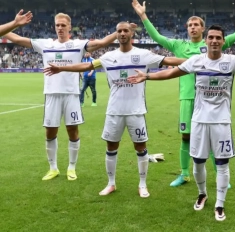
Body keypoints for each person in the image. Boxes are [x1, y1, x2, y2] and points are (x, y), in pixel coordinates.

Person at [127, 24, 235, 221]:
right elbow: (171, 73)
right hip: (199, 121)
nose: (215, 41)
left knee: (222, 163)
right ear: (206, 40)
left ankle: (220, 204)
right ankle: (202, 194)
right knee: (198, 162)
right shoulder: (196, 61)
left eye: (218, 37)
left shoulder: (232, 61)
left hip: (221, 122)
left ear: (222, 41)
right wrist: (147, 76)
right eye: (211, 37)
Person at [43, 22, 186, 197]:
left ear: (132, 33)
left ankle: (142, 185)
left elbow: (169, 60)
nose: (122, 33)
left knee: (141, 148)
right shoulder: (108, 57)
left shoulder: (143, 55)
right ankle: (111, 183)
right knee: (111, 147)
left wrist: (196, 61)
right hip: (114, 111)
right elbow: (87, 66)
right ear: (116, 34)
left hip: (136, 111)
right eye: (119, 31)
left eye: (126, 30)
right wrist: (61, 68)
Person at [132, 0, 235, 187]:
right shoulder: (179, 46)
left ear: (203, 28)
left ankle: (218, 173)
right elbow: (157, 38)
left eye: (196, 24)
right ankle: (184, 174)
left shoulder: (211, 44)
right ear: (187, 28)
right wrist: (143, 16)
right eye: (190, 24)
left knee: (211, 137)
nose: (192, 27)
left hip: (209, 99)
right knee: (186, 136)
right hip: (187, 97)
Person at [4, 13, 125, 181]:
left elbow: (103, 42)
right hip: (52, 95)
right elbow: (16, 39)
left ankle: (71, 167)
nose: (60, 28)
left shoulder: (78, 44)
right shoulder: (45, 44)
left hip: (71, 94)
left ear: (69, 27)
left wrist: (118, 31)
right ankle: (53, 168)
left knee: (72, 130)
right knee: (50, 131)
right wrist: (14, 24)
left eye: (63, 25)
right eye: (57, 25)